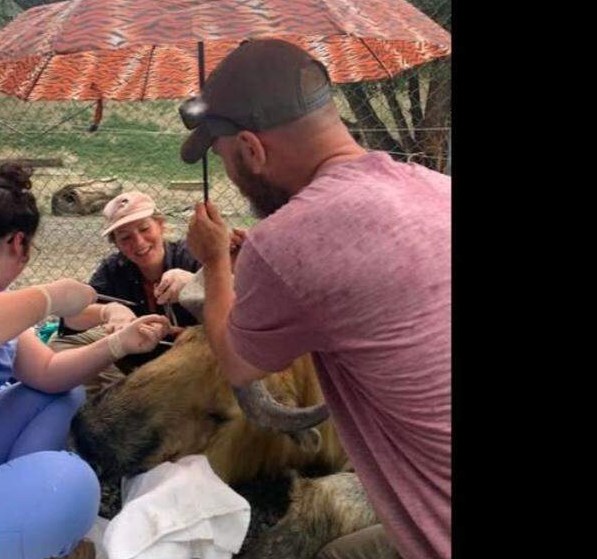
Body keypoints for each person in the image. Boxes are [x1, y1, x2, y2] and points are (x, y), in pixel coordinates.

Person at [179, 39, 451, 559]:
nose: (231, 174)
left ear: (253, 150)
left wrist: (215, 262)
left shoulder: (285, 242)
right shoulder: (437, 187)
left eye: (226, 158)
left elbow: (237, 364)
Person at [0, 162, 171, 559]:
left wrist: (119, 344)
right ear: (18, 243)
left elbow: (47, 374)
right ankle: (7, 524)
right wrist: (49, 298)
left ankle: (6, 506)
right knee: (73, 483)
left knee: (61, 396)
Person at [57, 191, 201, 375]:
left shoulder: (192, 256)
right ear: (116, 243)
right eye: (125, 237)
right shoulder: (114, 268)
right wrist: (109, 311)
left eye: (144, 229)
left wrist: (196, 282)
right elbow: (71, 317)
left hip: (192, 359)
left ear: (160, 225)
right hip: (135, 360)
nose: (139, 242)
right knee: (62, 347)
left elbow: (234, 300)